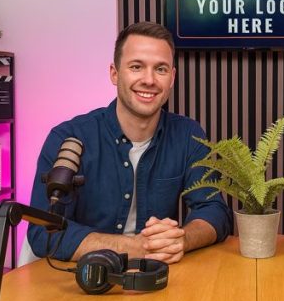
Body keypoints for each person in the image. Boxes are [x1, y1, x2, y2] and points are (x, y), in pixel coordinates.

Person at [28, 22, 232, 264]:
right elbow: (44, 231)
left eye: (161, 69)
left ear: (172, 78)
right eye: (136, 67)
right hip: (83, 277)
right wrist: (135, 247)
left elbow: (214, 211)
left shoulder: (188, 135)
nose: (149, 80)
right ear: (114, 74)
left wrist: (182, 239)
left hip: (159, 275)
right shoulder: (68, 137)